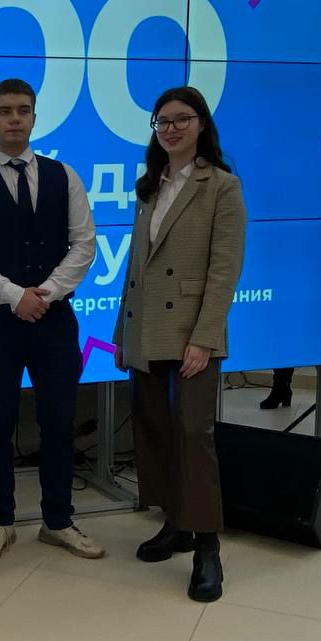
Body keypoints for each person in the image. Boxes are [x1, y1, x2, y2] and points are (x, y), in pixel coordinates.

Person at [0, 78, 102, 563]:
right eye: (5, 111)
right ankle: (0, 520)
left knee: (58, 421)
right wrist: (15, 296)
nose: (14, 118)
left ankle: (58, 520)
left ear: (34, 117)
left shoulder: (65, 176)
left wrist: (47, 293)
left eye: (22, 110)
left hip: (55, 321)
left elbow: (84, 243)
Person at [114, 85, 246, 602]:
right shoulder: (150, 186)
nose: (170, 129)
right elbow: (135, 268)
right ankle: (176, 524)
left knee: (194, 434)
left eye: (181, 119)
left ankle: (208, 547)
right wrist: (123, 334)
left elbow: (224, 271)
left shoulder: (222, 186)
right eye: (162, 121)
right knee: (155, 430)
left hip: (193, 331)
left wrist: (204, 339)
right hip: (146, 327)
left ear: (201, 124)